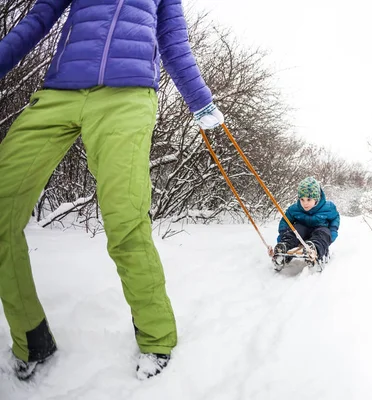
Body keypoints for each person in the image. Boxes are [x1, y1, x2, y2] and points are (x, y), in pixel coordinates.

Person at [0, 0, 223, 380]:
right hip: (59, 93)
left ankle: (156, 336)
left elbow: (173, 43)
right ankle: (31, 337)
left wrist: (201, 102)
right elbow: (37, 21)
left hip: (127, 97)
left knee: (124, 218)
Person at [272, 177, 340, 269]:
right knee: (296, 229)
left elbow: (334, 219)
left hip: (319, 230)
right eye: (302, 199)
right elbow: (285, 221)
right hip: (301, 232)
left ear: (316, 199)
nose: (305, 203)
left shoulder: (328, 208)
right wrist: (283, 235)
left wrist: (332, 232)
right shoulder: (294, 209)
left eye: (309, 199)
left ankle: (314, 250)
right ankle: (284, 246)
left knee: (323, 232)